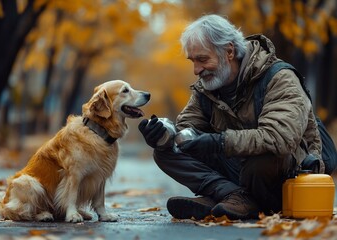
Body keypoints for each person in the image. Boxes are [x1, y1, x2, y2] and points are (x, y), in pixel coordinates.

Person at [138, 14, 322, 220]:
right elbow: (187, 129)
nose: (196, 70)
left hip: (282, 175)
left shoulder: (279, 77)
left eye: (202, 59)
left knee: (261, 162)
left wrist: (220, 142)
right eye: (193, 61)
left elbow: (279, 138)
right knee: (165, 152)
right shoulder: (207, 87)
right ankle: (233, 196)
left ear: (229, 52)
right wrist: (164, 135)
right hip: (239, 170)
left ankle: (230, 200)